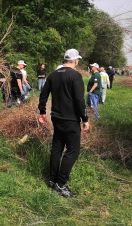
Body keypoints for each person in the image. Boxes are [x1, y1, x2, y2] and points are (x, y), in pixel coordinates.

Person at [38, 48, 89, 198]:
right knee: (73, 151)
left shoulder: (53, 75)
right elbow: (79, 100)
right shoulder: (75, 76)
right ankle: (61, 184)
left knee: (57, 148)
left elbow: (43, 94)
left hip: (56, 117)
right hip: (71, 119)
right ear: (75, 61)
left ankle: (53, 180)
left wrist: (42, 111)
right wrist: (85, 118)